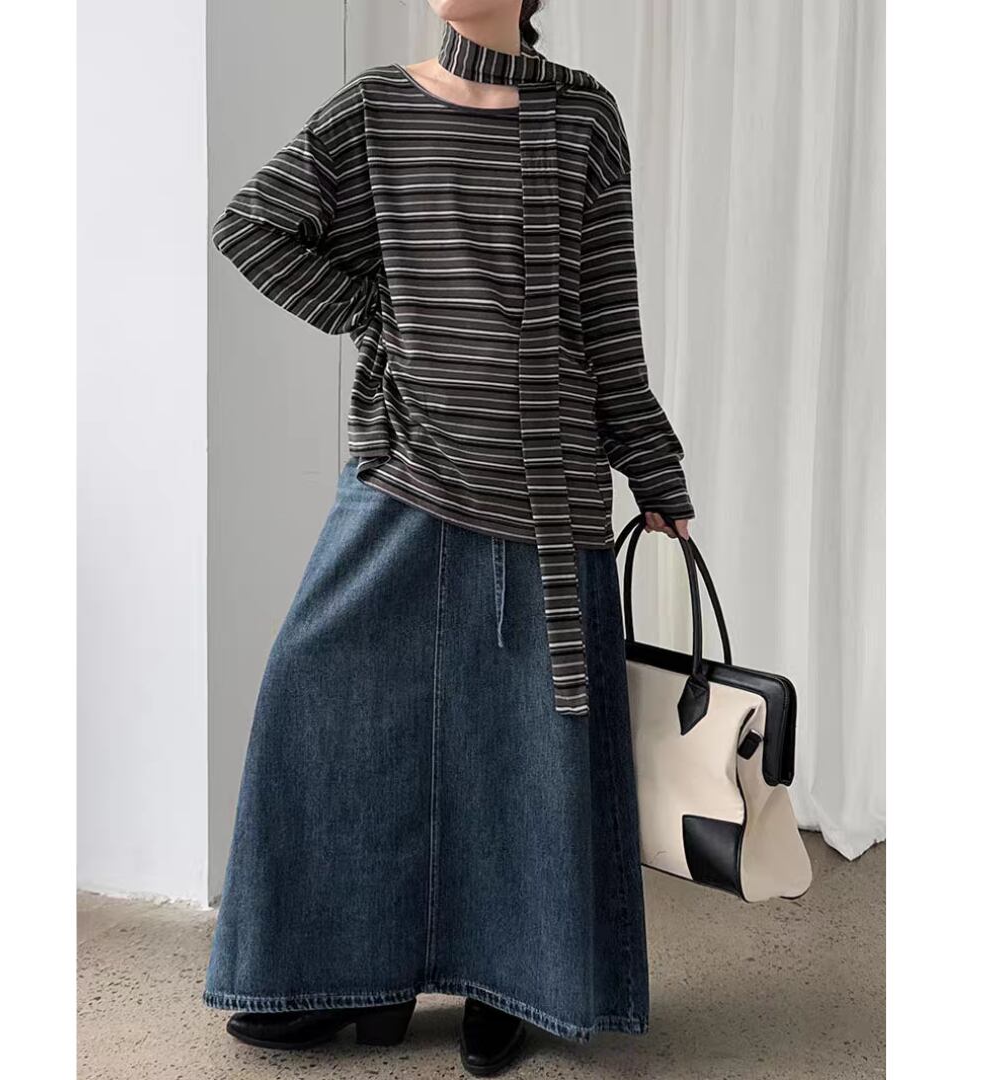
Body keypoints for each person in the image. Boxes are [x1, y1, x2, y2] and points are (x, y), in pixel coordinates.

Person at [203, 1, 693, 1074]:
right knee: (318, 698)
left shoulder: (583, 119)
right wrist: (383, 312)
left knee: (516, 751)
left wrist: (653, 467)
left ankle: (508, 983)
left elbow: (609, 322)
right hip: (406, 472)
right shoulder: (374, 110)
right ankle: (356, 977)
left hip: (543, 495)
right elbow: (252, 227)